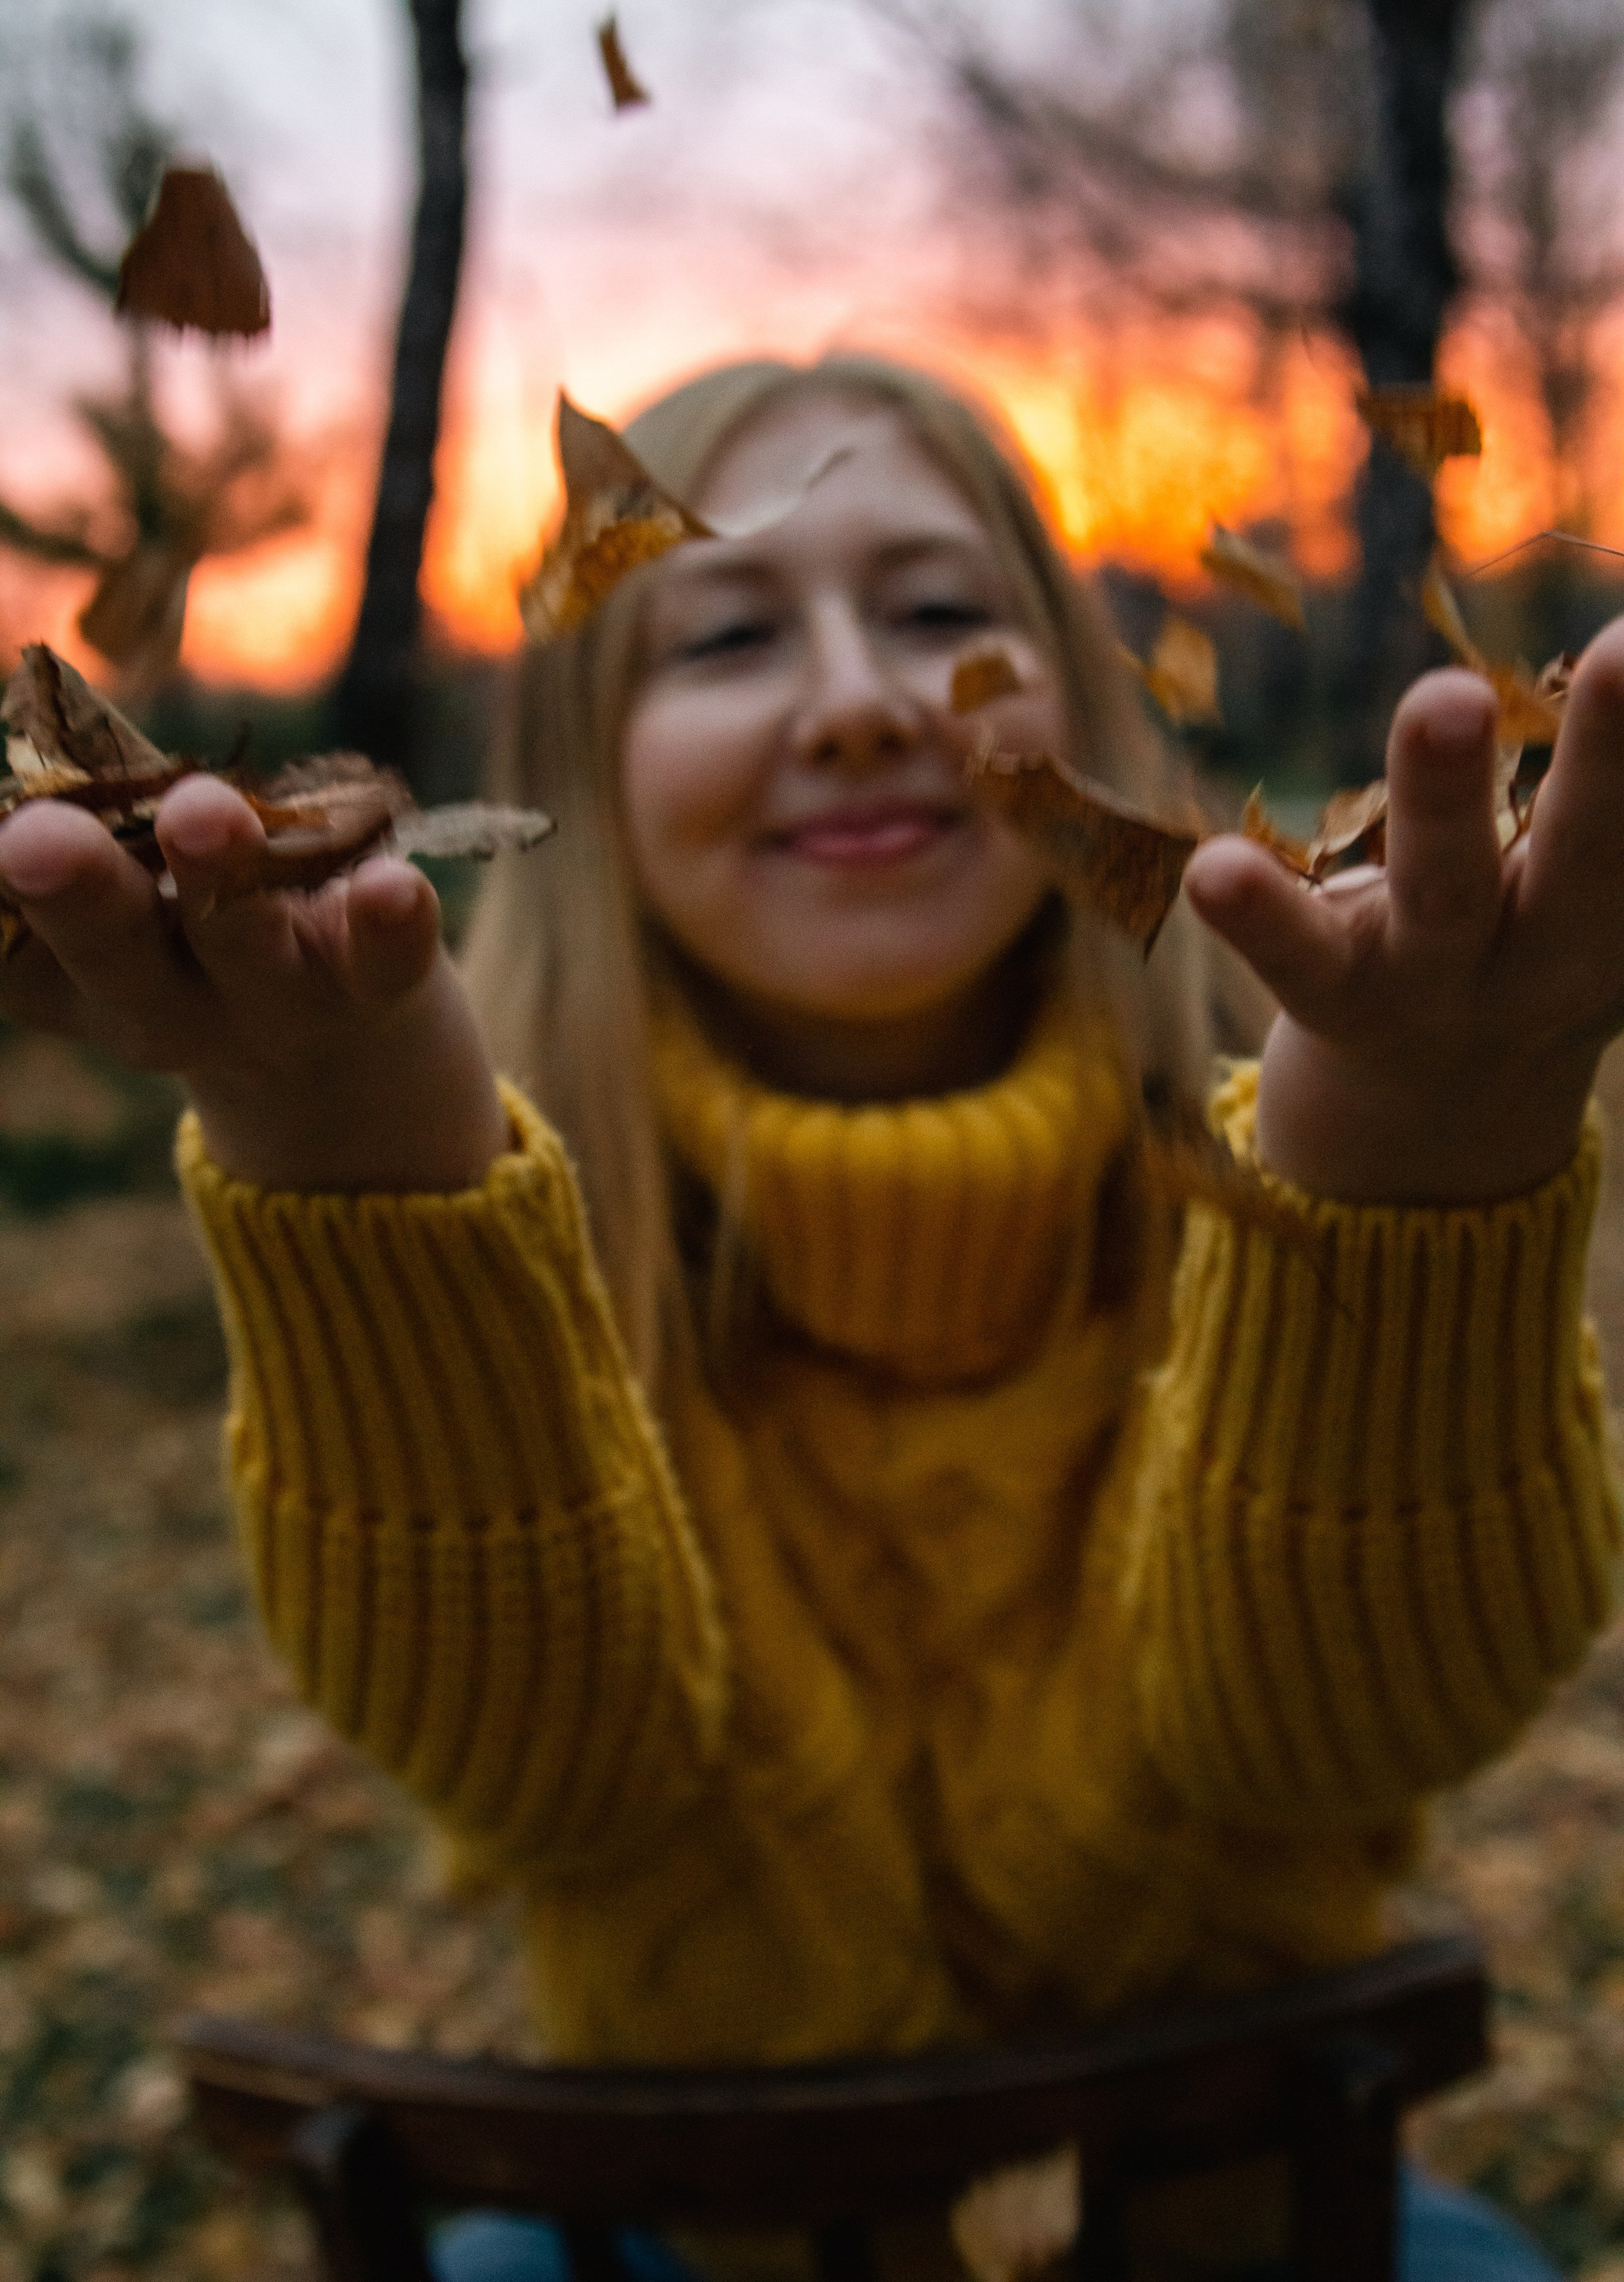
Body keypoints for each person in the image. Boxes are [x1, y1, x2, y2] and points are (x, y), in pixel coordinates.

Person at [1, 354, 1618, 2282]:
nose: (859, 706)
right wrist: (363, 1185)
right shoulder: (502, 1243)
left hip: (1269, 2228)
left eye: (941, 615)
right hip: (673, 2241)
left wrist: (1417, 1178)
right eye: (726, 636)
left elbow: (1332, 1746)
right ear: (579, 775)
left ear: (1092, 718)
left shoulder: (1279, 1170)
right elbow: (552, 1771)